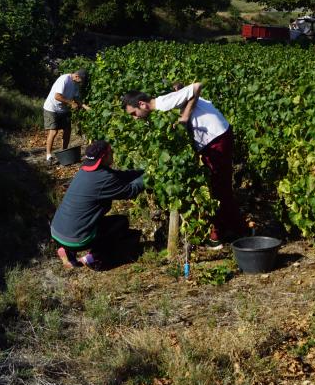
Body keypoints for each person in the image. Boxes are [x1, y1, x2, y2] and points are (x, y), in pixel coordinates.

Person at [120, 83, 246, 248]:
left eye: (134, 113)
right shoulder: (163, 106)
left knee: (220, 188)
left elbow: (197, 87)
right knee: (218, 187)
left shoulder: (164, 104)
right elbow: (188, 94)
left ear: (142, 104)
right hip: (213, 138)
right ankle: (233, 230)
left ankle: (231, 233)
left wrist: (185, 116)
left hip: (216, 138)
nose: (135, 118)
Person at [49, 140, 145, 269]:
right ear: (104, 157)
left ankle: (67, 250)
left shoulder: (84, 171)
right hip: (75, 238)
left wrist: (141, 171)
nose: (113, 154)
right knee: (121, 223)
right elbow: (131, 191)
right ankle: (93, 258)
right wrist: (148, 177)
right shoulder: (104, 179)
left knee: (88, 223)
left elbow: (120, 175)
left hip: (57, 231)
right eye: (111, 152)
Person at [42, 68, 89, 163]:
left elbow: (76, 97)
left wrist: (85, 106)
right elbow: (57, 96)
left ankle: (64, 152)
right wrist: (71, 103)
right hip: (52, 108)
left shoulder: (75, 83)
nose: (81, 83)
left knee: (67, 130)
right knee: (54, 132)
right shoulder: (64, 79)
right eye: (81, 80)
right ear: (76, 76)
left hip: (64, 109)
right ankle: (48, 156)